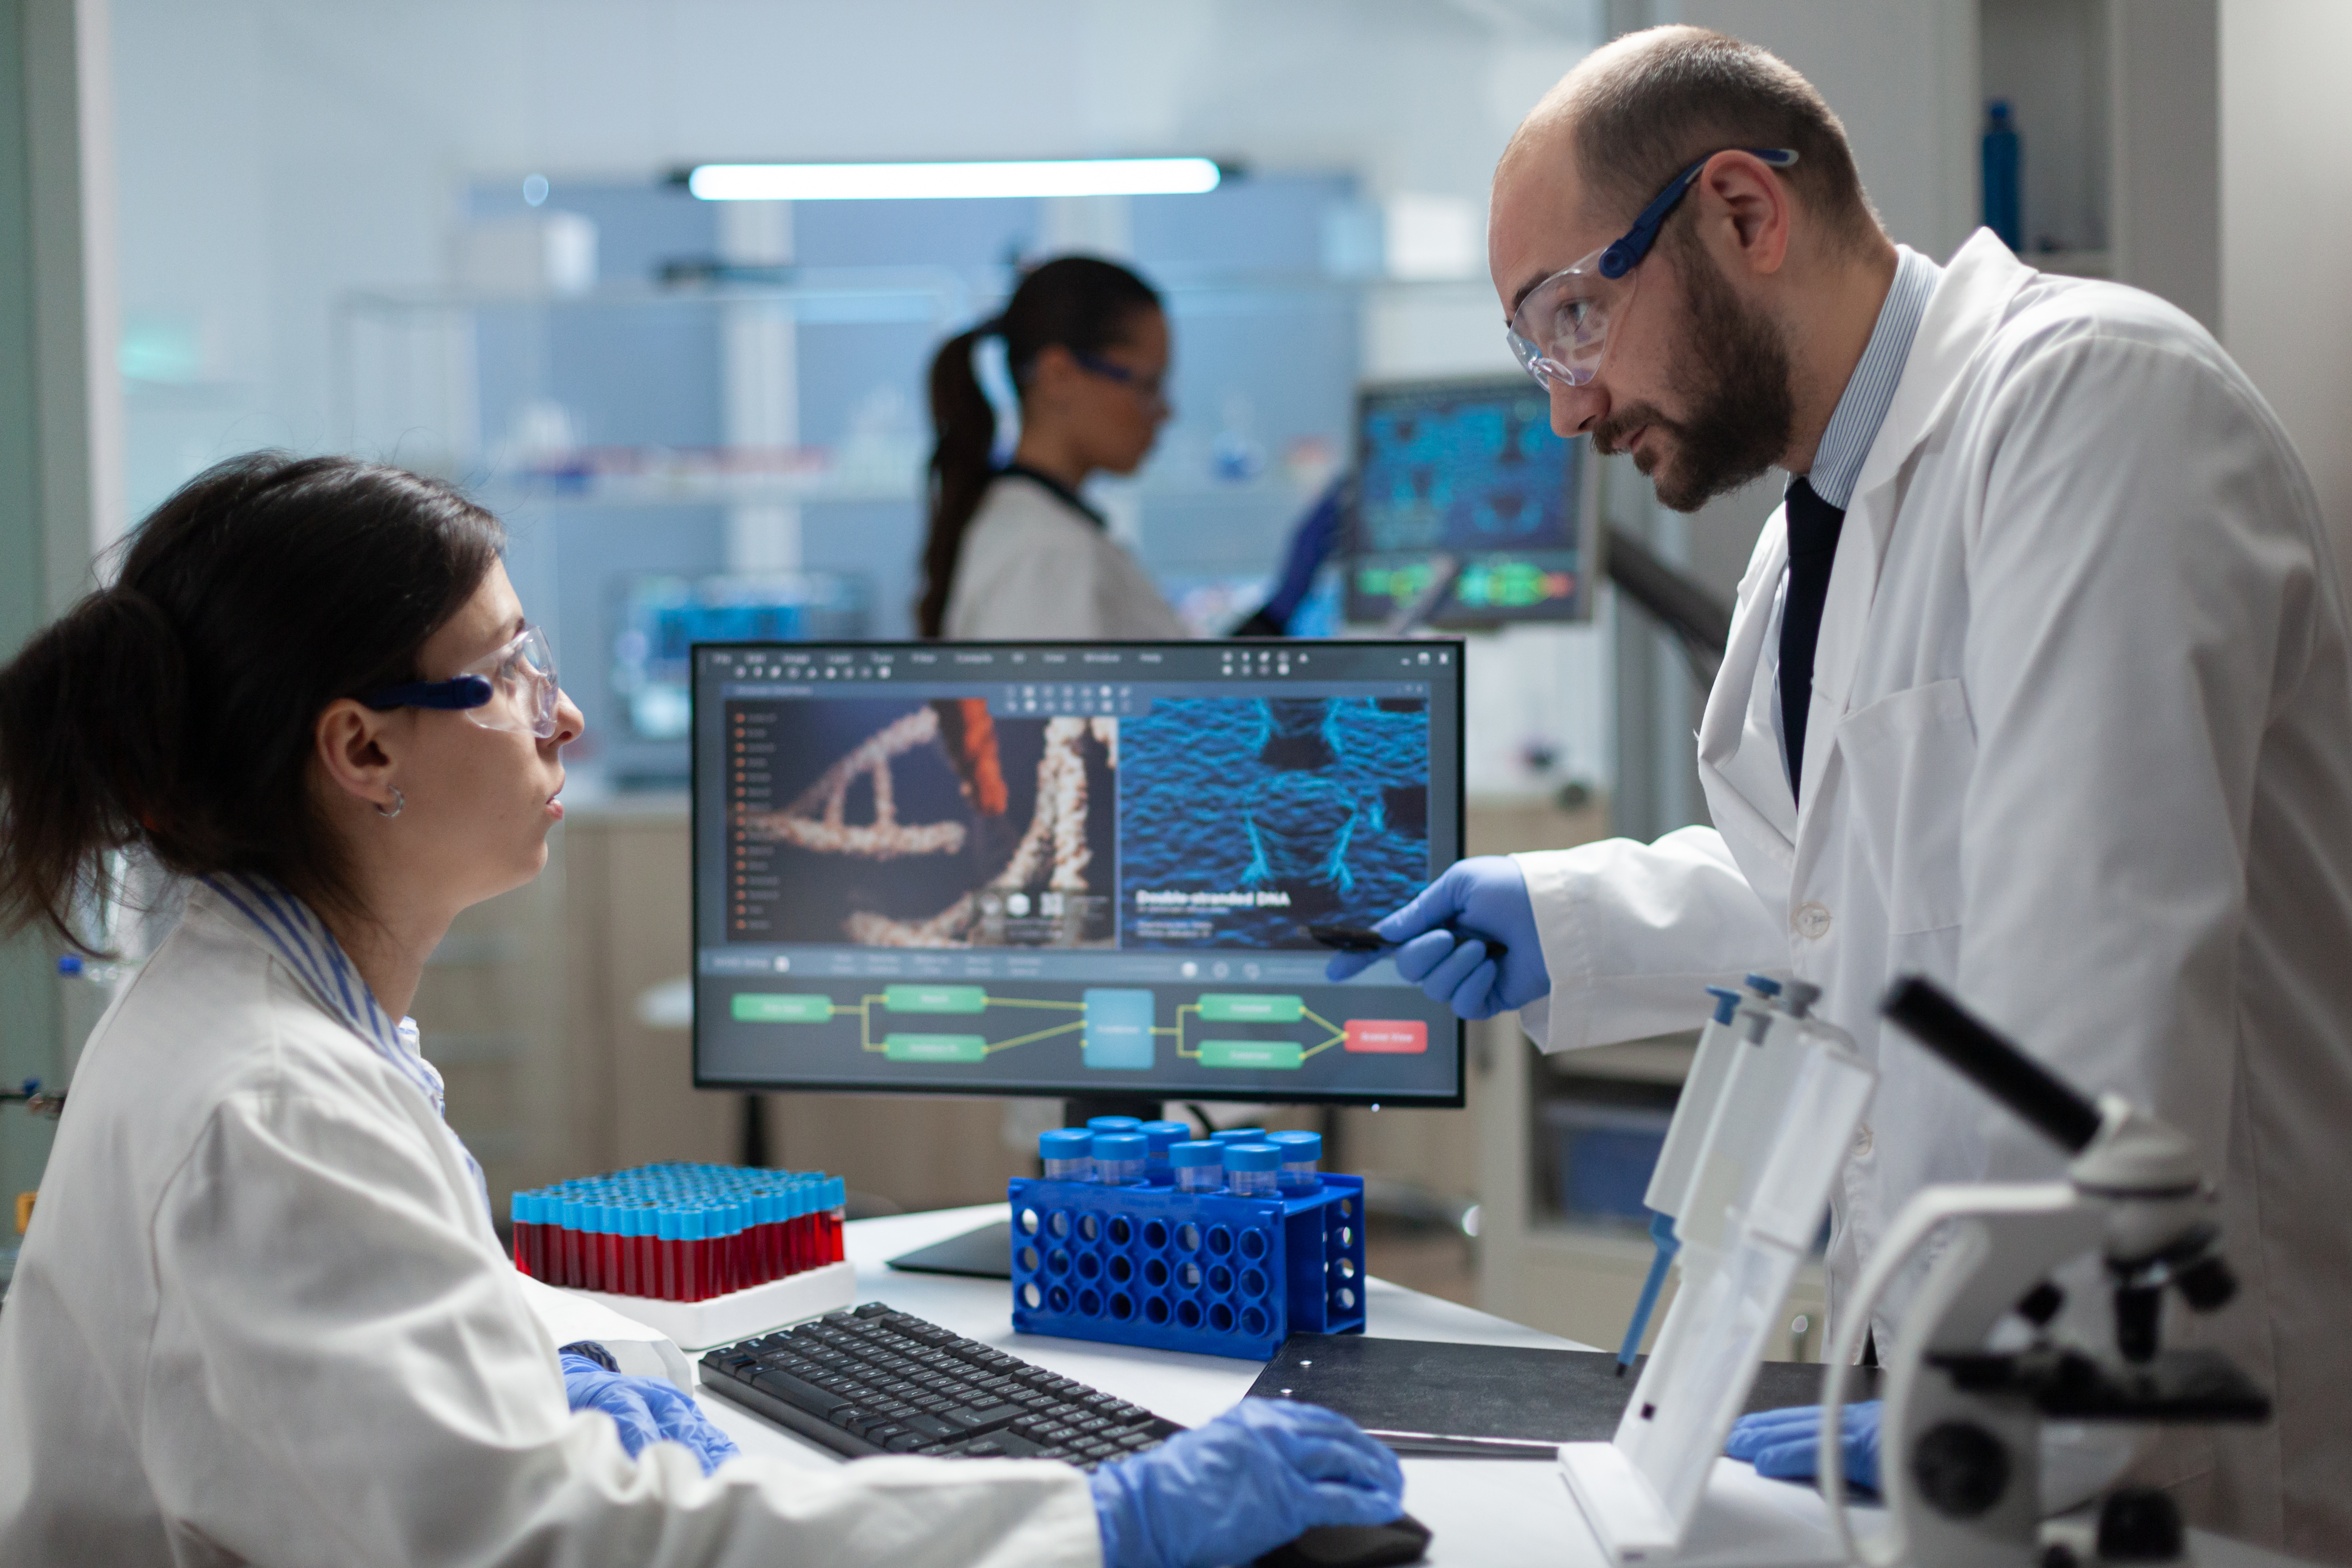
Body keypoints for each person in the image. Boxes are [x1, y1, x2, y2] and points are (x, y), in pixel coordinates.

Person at [1331, 27, 2352, 1559]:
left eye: (1574, 315)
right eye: (1536, 345)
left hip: (2154, 1412)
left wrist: (2002, 1398)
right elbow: (1857, 891)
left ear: (1742, 211)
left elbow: (2094, 966)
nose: (1566, 407)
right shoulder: (1813, 529)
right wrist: (1576, 912)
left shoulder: (2089, 406)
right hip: (1961, 1370)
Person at [0, 452, 1404, 1566]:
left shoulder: (264, 1017)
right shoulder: (272, 1105)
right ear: (364, 748)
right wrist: (1096, 1524)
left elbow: (394, 1323)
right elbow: (575, 1549)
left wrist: (582, 1352)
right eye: (510, 672)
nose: (565, 721)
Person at [918, 255, 1192, 641]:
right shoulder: (1046, 552)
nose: (1165, 413)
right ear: (1058, 375)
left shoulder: (1044, 531)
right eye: (1147, 385)